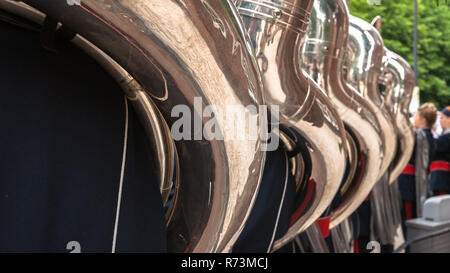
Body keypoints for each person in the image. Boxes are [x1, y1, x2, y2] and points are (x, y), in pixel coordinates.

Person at [398, 103, 437, 228]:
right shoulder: (431, 136)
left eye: (416, 116)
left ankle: (412, 248)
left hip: (409, 186)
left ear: (423, 119)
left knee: (409, 224)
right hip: (420, 184)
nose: (414, 119)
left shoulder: (417, 137)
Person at [429, 106, 450, 196]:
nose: (440, 121)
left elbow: (435, 146)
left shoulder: (447, 137)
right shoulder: (444, 135)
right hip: (439, 178)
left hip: (443, 178)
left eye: (442, 117)